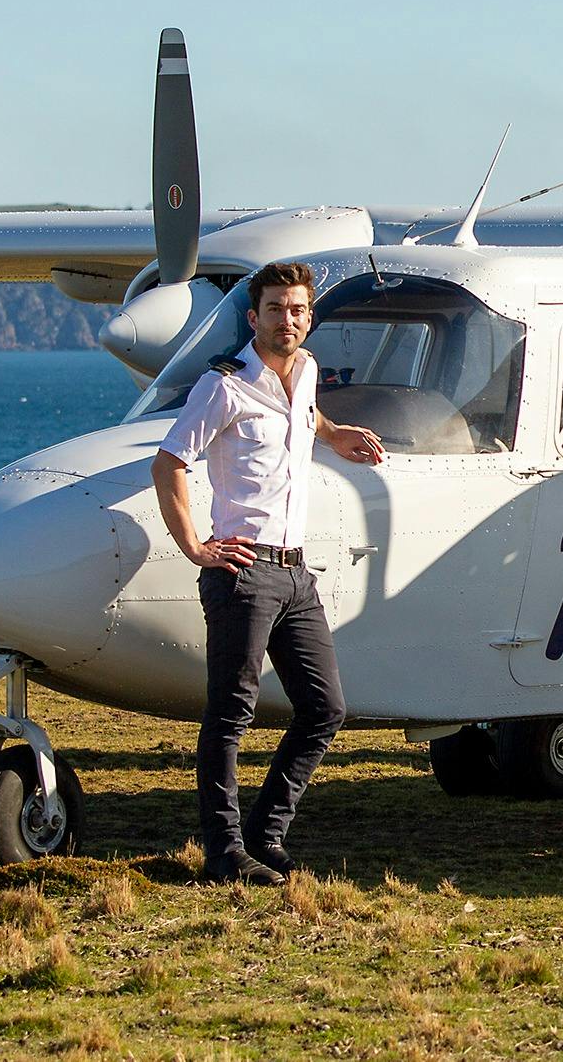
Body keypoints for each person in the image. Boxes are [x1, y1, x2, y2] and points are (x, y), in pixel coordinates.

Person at [151, 261, 385, 885]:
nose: (290, 320)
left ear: (310, 318)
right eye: (277, 309)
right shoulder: (223, 387)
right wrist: (196, 546)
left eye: (299, 310)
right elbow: (169, 462)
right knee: (230, 715)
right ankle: (224, 852)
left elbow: (303, 419)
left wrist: (334, 435)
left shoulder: (305, 373)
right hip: (243, 573)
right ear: (253, 318)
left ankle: (265, 835)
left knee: (325, 708)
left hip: (295, 572)